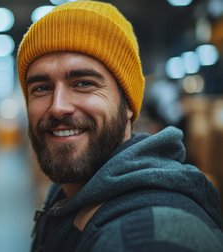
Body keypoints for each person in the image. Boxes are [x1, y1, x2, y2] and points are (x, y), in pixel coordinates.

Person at [16, 1, 223, 251]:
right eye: (41, 88)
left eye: (83, 83)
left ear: (127, 103)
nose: (58, 107)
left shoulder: (150, 235)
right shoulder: (69, 201)